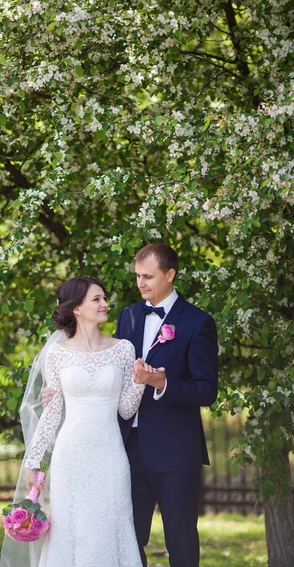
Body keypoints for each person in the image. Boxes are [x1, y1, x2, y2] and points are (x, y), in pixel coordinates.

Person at [3, 275, 148, 567]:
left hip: (110, 454)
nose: (105, 304)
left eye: (105, 298)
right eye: (97, 299)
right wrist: (34, 461)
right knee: (71, 531)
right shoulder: (56, 353)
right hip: (70, 456)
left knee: (110, 526)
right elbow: (52, 412)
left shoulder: (124, 349)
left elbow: (125, 410)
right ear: (77, 309)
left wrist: (141, 382)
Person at [116, 242, 219, 567]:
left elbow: (206, 391)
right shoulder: (129, 316)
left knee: (181, 540)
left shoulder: (197, 322)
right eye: (137, 276)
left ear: (170, 274)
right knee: (128, 539)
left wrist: (163, 384)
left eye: (148, 276)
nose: (141, 283)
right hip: (127, 449)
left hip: (176, 451)